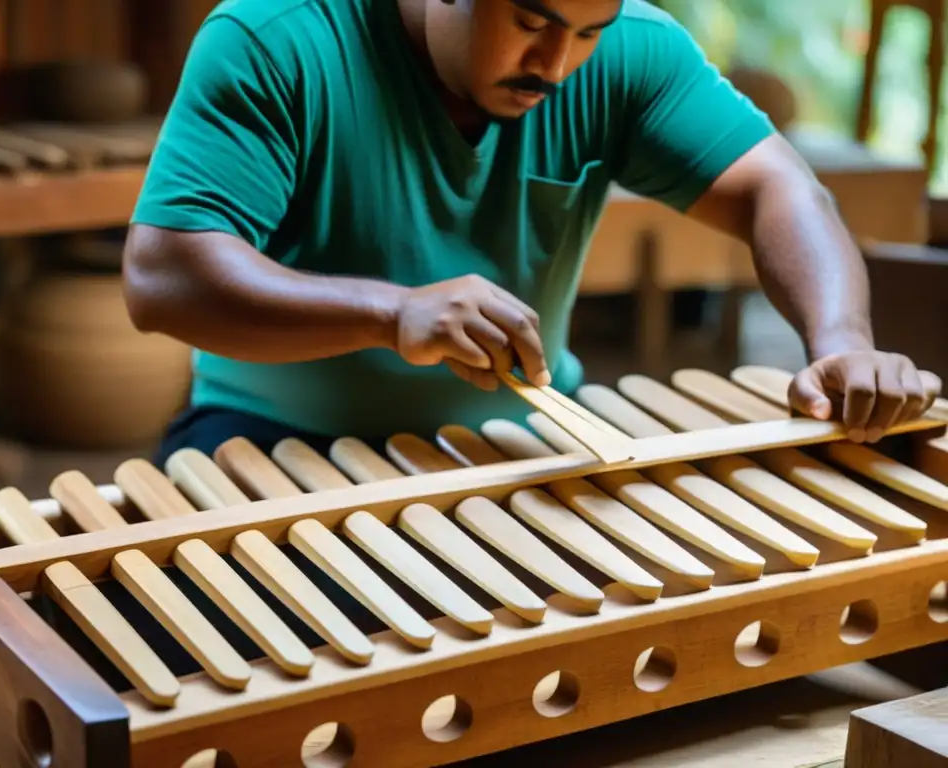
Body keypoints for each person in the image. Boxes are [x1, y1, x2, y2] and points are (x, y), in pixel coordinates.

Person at [124, 0, 941, 468]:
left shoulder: (629, 51)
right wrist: (390, 311)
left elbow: (779, 186)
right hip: (268, 440)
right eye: (530, 19)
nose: (557, 63)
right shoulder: (278, 39)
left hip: (528, 437)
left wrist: (841, 338)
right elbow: (163, 277)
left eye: (589, 29)